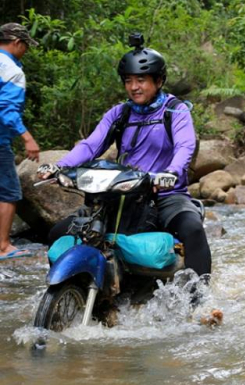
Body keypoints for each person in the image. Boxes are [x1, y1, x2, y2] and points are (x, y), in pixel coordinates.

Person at [37, 34, 212, 278]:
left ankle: (198, 302)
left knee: (192, 229)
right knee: (58, 233)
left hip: (165, 193)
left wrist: (171, 172)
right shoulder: (119, 113)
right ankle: (70, 291)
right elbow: (91, 145)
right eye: (128, 81)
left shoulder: (175, 111)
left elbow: (185, 146)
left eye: (141, 80)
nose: (133, 87)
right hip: (122, 193)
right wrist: (59, 166)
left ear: (159, 80)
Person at [0, 23, 40, 260]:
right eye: (25, 46)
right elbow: (6, 111)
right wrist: (28, 138)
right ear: (16, 42)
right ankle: (3, 246)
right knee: (9, 192)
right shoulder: (12, 70)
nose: (25, 50)